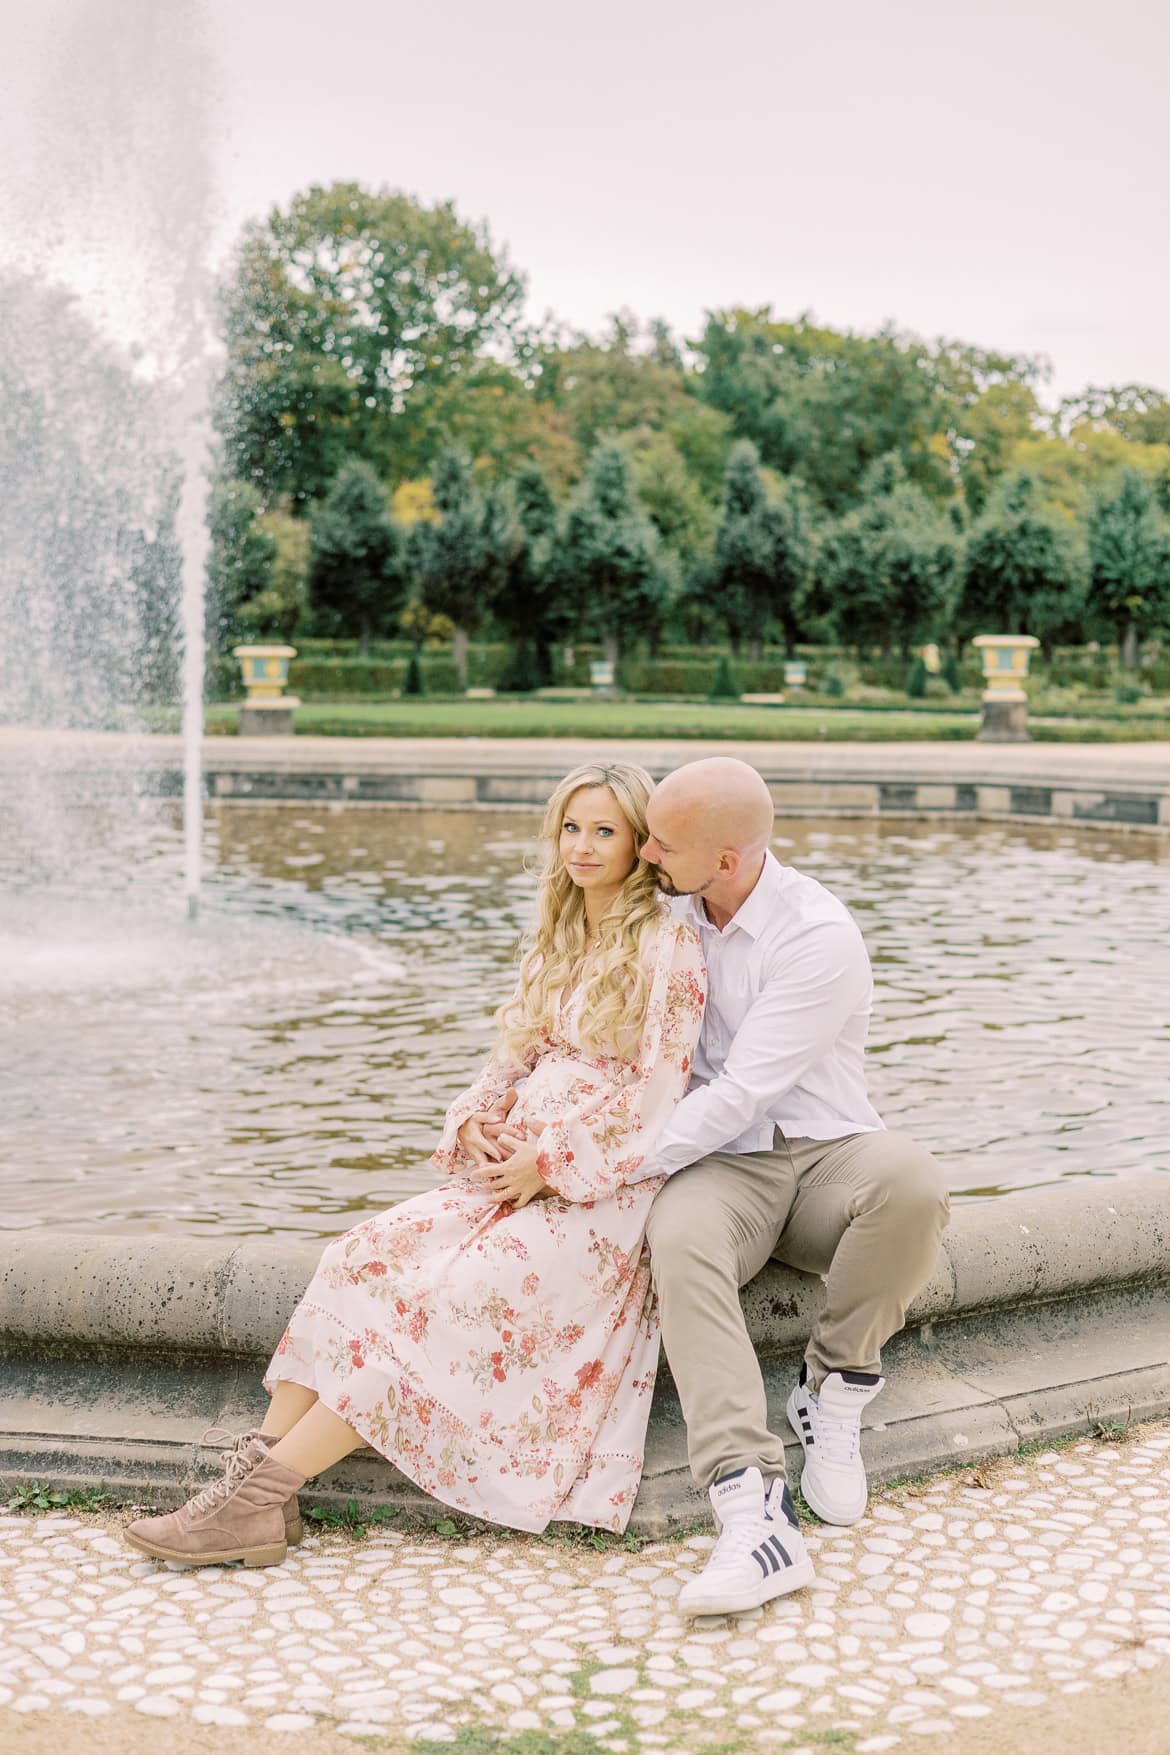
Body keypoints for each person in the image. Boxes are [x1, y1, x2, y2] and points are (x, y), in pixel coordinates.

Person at [124, 761, 706, 1569]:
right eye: (571, 827)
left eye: (604, 830)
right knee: (360, 1256)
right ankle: (256, 1487)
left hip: (596, 1196)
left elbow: (659, 1095)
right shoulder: (562, 930)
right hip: (503, 1176)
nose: (582, 845)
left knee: (447, 1301)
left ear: (640, 841)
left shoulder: (669, 939)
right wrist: (473, 1123)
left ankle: (252, 1500)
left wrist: (550, 1160)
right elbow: (509, 1060)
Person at [630, 756, 950, 1616]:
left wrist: (614, 1162)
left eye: (663, 840)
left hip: (821, 1153)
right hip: (718, 1167)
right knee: (681, 1236)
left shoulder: (816, 933)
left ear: (726, 860)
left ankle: (834, 1389)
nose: (645, 849)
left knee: (912, 1182)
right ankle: (751, 1502)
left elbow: (742, 1094)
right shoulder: (662, 910)